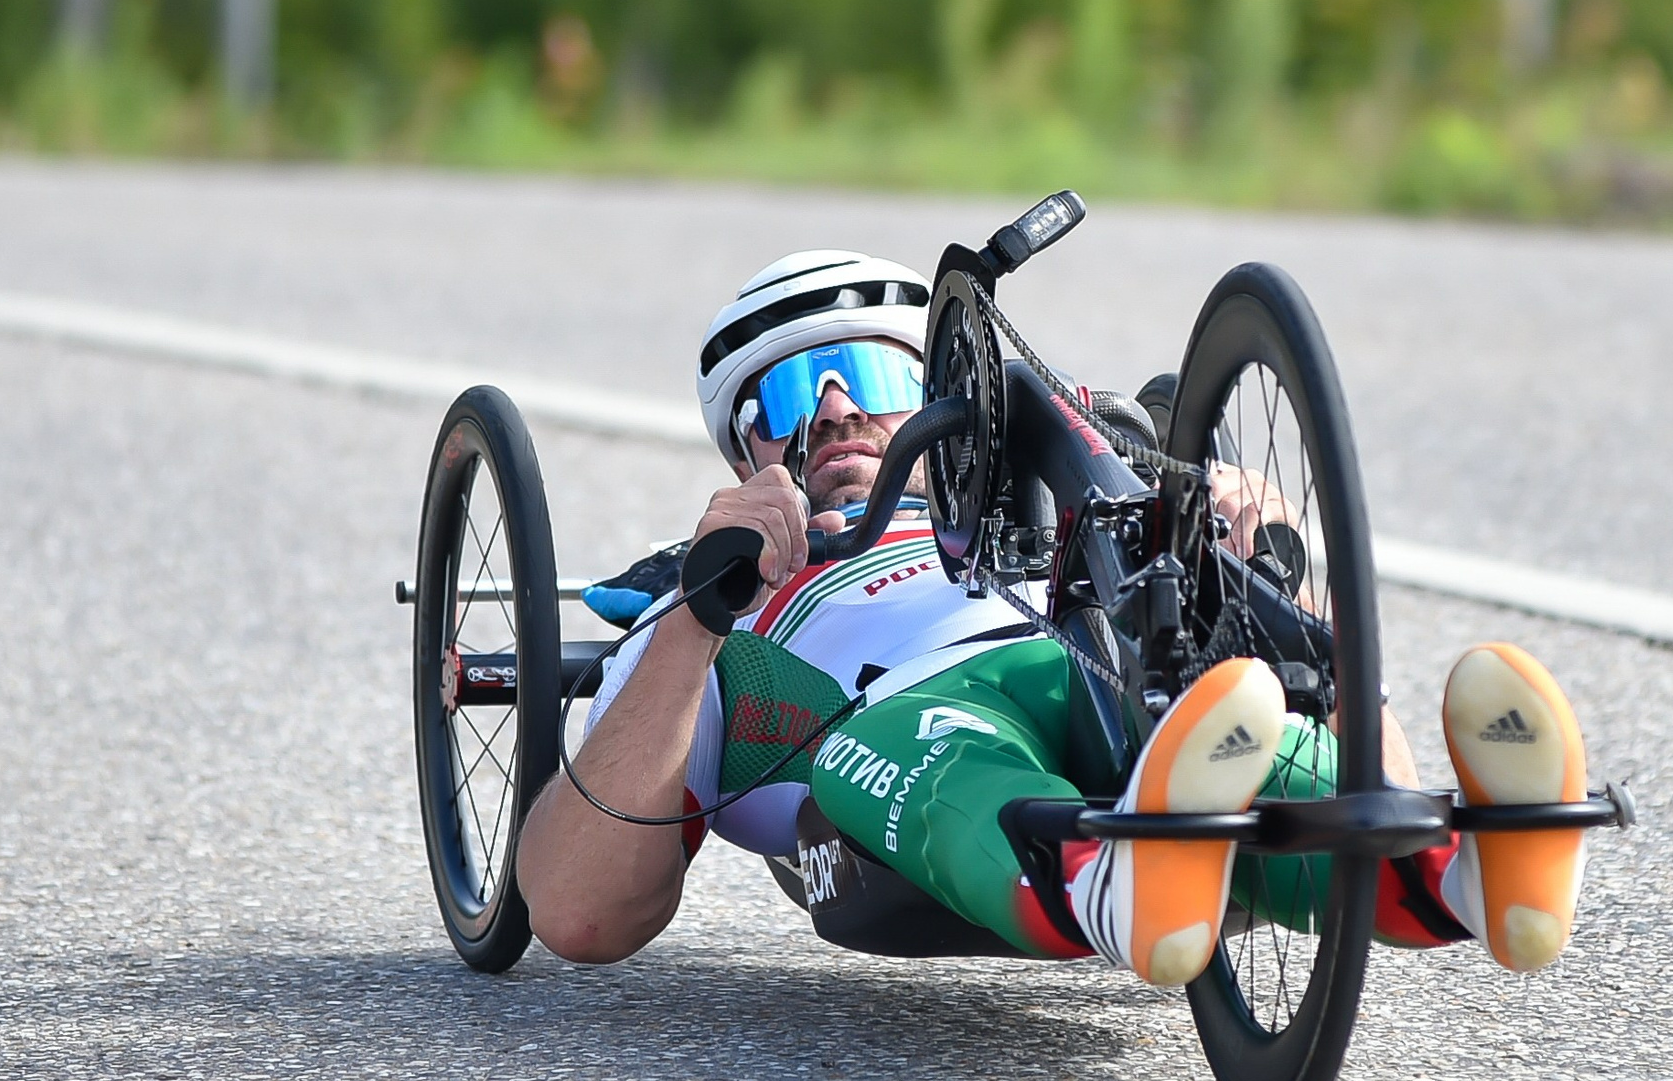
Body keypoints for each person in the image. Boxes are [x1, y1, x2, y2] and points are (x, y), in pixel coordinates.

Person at [514, 250, 1594, 985]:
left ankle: (1462, 873)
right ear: (748, 448)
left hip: (1092, 670)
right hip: (890, 736)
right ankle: (1114, 884)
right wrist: (702, 614)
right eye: (788, 399)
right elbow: (577, 910)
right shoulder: (703, 611)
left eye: (863, 374)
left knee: (1245, 724)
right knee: (926, 739)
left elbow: (1352, 737)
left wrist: (1276, 582)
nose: (835, 410)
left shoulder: (1051, 519)